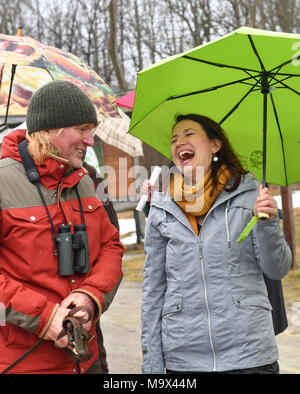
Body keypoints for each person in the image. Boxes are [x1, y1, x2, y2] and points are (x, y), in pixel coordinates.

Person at [141, 113, 292, 374]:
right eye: (174, 138)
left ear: (215, 145)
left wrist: (267, 222)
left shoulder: (250, 195)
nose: (179, 142)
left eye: (189, 134)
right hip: (184, 360)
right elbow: (153, 291)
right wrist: (152, 366)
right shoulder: (161, 207)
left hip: (249, 355)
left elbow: (276, 269)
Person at [0, 80, 124, 374]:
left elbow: (111, 246)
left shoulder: (83, 181)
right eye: (81, 130)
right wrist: (44, 317)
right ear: (48, 130)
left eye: (91, 131)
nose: (90, 140)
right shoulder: (3, 181)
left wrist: (90, 296)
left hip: (86, 361)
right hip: (24, 365)